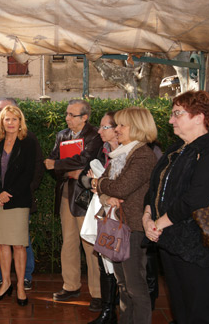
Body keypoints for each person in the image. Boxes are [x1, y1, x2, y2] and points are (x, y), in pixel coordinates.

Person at [144, 90, 209, 324]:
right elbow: (154, 187)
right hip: (172, 243)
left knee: (202, 314)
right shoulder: (177, 149)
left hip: (201, 249)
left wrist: (158, 223)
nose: (170, 119)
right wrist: (147, 217)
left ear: (199, 116)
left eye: (177, 113)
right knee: (183, 311)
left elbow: (197, 198)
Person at [91, 107, 158, 324]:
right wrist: (105, 195)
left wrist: (100, 184)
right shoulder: (121, 154)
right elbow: (108, 190)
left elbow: (119, 187)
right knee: (122, 284)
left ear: (137, 127)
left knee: (135, 286)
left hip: (134, 228)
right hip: (118, 225)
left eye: (121, 125)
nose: (116, 129)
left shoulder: (143, 155)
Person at [44, 99, 103, 308]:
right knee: (68, 243)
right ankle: (71, 285)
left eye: (72, 115)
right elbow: (50, 162)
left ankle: (97, 293)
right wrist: (66, 169)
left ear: (84, 117)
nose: (67, 118)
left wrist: (60, 166)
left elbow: (84, 161)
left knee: (91, 245)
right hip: (66, 195)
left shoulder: (95, 136)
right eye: (67, 114)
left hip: (85, 197)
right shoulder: (62, 135)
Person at [0, 97, 44, 291]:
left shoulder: (28, 142)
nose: (10, 123)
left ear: (20, 121)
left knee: (18, 245)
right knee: (1, 244)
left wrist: (8, 193)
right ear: (1, 120)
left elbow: (28, 173)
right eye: (6, 119)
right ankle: (6, 282)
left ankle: (20, 286)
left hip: (18, 201)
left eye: (14, 119)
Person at [81, 111, 120, 324]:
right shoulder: (101, 150)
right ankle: (108, 312)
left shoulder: (132, 154)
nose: (99, 130)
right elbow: (85, 177)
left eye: (105, 127)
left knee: (124, 270)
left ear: (118, 128)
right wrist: (93, 183)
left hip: (123, 219)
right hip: (104, 216)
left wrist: (99, 184)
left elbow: (124, 187)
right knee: (105, 264)